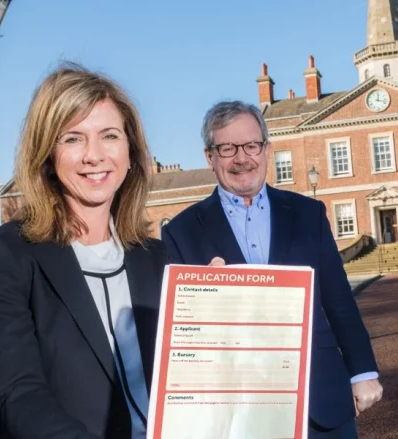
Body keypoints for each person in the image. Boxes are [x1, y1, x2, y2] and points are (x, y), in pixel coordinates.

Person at [0, 63, 168, 439]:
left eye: (109, 135)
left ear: (131, 151)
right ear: (47, 155)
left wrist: (217, 309)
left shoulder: (160, 259)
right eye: (73, 139)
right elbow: (14, 396)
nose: (94, 155)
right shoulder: (2, 257)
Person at [160, 100, 382, 438]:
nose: (242, 158)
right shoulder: (181, 232)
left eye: (252, 145)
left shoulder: (308, 214)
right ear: (210, 157)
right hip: (236, 410)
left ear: (266, 149)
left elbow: (339, 300)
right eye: (227, 148)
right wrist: (204, 298)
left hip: (319, 398)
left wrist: (363, 370)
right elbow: (180, 334)